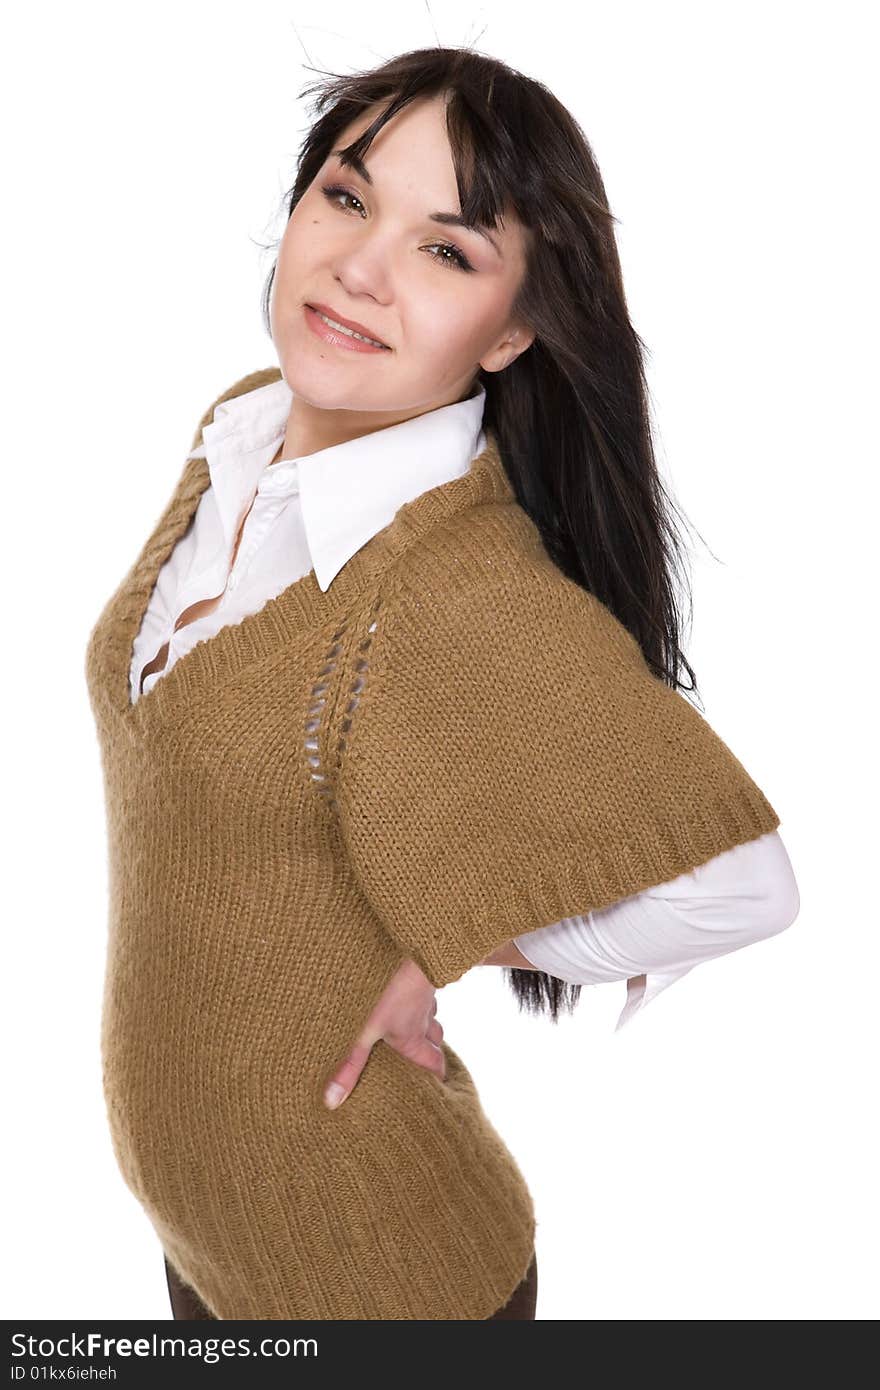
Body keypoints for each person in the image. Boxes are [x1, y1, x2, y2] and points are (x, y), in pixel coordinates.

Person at [84, 46, 798, 1321]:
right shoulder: (243, 430)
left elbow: (740, 886)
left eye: (447, 251)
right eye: (348, 198)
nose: (359, 268)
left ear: (514, 328)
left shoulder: (445, 588)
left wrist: (461, 946)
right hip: (216, 1255)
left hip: (378, 1275)